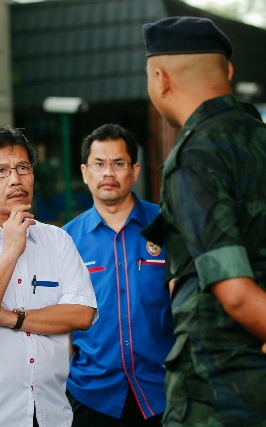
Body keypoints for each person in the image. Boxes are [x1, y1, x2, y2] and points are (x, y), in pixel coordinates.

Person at [141, 16, 266, 426]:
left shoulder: (195, 157)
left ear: (160, 79)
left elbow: (237, 292)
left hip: (223, 397)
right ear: (227, 72)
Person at [0, 126, 98, 427]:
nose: (16, 179)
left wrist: (7, 316)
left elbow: (82, 314)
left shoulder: (57, 240)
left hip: (52, 412)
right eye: (1, 171)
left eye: (23, 168)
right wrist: (11, 250)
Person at [63, 124, 173, 426]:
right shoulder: (66, 240)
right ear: (85, 172)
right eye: (99, 164)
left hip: (163, 391)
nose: (108, 173)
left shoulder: (166, 226)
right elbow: (62, 322)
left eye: (118, 163)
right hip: (91, 394)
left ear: (134, 170)